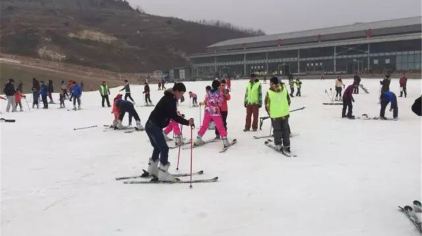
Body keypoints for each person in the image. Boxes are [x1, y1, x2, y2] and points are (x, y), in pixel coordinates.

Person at [144, 83, 194, 182]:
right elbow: (174, 116)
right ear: (176, 91)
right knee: (164, 148)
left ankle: (152, 169)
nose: (181, 96)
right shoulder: (169, 100)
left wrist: (179, 117)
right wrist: (187, 122)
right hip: (154, 126)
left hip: (149, 125)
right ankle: (162, 172)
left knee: (157, 147)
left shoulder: (169, 98)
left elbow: (171, 113)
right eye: (181, 93)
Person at [195, 80, 231, 147]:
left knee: (204, 125)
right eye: (219, 85)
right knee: (220, 126)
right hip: (215, 112)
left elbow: (205, 101)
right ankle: (225, 140)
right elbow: (220, 103)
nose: (220, 86)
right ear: (218, 86)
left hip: (207, 111)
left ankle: (198, 138)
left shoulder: (208, 92)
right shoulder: (219, 93)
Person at [265, 77, 291, 153]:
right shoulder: (284, 89)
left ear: (273, 83)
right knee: (285, 130)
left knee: (277, 130)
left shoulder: (269, 92)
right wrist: (284, 109)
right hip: (285, 114)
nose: (270, 84)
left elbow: (267, 105)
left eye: (270, 83)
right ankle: (287, 145)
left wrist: (269, 113)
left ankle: (278, 145)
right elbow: (289, 101)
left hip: (275, 115)